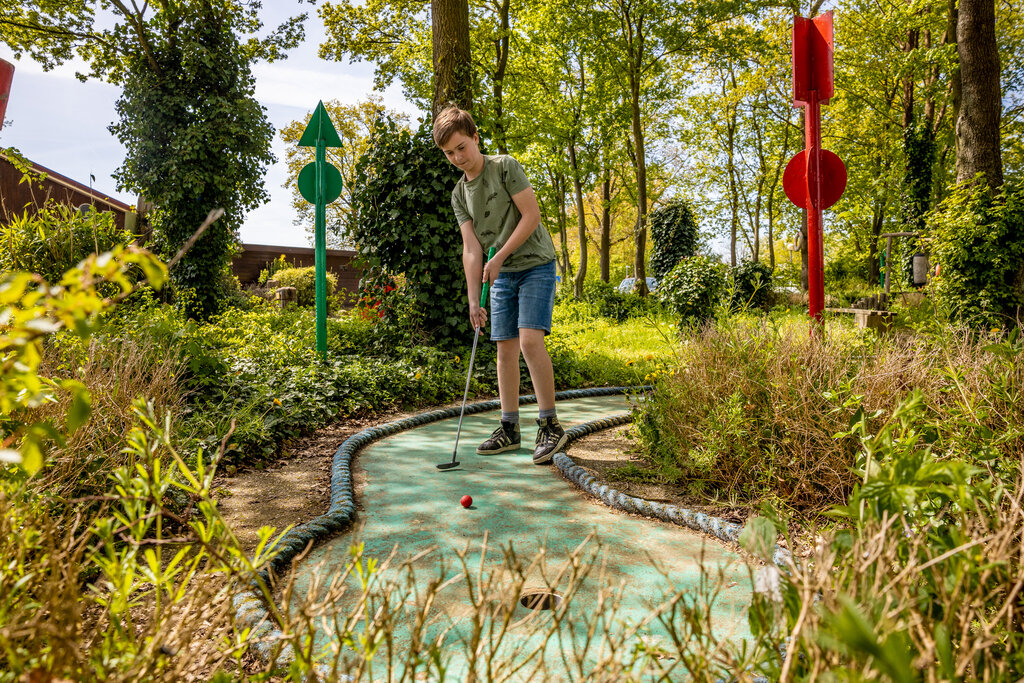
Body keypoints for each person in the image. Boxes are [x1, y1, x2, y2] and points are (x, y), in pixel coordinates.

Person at [433, 105, 567, 465]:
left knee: (528, 340)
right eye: (449, 153)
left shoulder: (504, 166)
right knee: (503, 347)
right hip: (501, 271)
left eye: (462, 147)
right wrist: (473, 300)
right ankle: (509, 427)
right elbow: (472, 249)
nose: (458, 157)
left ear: (476, 138)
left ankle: (549, 423)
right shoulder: (459, 195)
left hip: (535, 262)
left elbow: (531, 215)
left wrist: (501, 257)